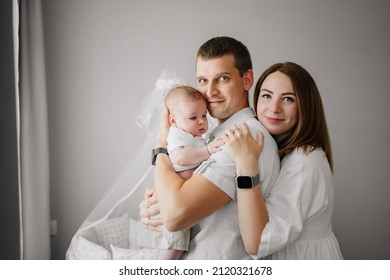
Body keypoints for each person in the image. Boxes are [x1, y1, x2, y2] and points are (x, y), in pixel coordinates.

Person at [141, 36, 280, 259]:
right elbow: (174, 202)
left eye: (222, 78)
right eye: (203, 80)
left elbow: (176, 216)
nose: (210, 91)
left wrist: (160, 148)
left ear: (247, 80)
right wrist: (155, 206)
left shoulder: (244, 137)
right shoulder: (209, 135)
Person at [223, 62, 343, 259]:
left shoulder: (305, 161)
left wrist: (246, 164)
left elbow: (257, 242)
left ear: (305, 106)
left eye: (288, 99)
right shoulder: (280, 151)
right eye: (267, 96)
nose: (274, 108)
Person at [153, 85, 224, 260]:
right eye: (193, 117)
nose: (201, 121)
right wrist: (207, 151)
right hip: (173, 200)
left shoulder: (195, 137)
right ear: (173, 120)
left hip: (182, 199)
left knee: (173, 243)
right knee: (174, 247)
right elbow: (180, 157)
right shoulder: (177, 134)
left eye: (203, 115)